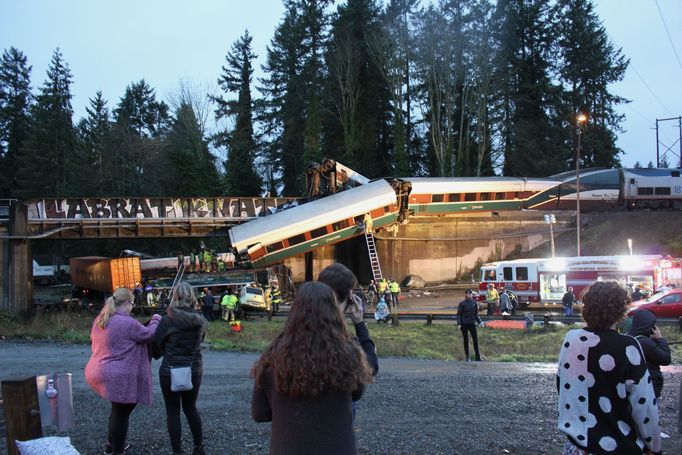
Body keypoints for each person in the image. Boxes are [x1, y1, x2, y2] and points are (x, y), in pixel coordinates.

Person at [251, 281, 374, 454]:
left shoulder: (272, 358)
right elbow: (357, 393)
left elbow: (259, 413)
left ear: (294, 312)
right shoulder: (349, 355)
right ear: (333, 312)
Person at [557, 281, 661, 455]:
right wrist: (654, 446)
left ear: (586, 307)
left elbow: (563, 386)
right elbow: (644, 405)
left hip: (577, 447)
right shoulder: (628, 346)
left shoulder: (571, 339)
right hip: (619, 447)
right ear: (621, 312)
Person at [84, 288, 161, 455]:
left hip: (98, 371)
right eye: (132, 304)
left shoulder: (101, 318)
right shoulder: (127, 323)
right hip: (117, 376)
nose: (132, 307)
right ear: (126, 303)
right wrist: (156, 319)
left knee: (117, 410)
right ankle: (118, 451)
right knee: (122, 414)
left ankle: (111, 445)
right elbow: (148, 335)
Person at [152, 281, 208, 455]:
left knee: (173, 411)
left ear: (174, 297)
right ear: (192, 297)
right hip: (193, 369)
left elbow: (156, 345)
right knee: (191, 408)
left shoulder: (167, 320)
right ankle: (199, 447)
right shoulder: (201, 321)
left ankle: (177, 451)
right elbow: (201, 341)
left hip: (170, 370)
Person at [318, 263, 379, 376]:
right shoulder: (344, 344)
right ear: (350, 296)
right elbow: (371, 367)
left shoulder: (290, 337)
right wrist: (360, 324)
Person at [627, 309, 671, 437]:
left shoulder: (628, 337)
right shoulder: (645, 342)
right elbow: (665, 359)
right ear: (649, 326)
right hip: (650, 384)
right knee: (650, 412)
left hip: (632, 384)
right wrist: (660, 339)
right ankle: (651, 434)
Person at [457, 288, 482, 361]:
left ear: (471, 294)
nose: (469, 295)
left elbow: (476, 314)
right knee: (466, 340)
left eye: (470, 293)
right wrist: (459, 323)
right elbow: (459, 314)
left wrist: (480, 322)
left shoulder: (475, 303)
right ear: (465, 294)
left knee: (475, 340)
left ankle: (478, 357)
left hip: (472, 323)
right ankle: (467, 356)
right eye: (467, 293)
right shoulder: (462, 303)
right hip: (464, 324)